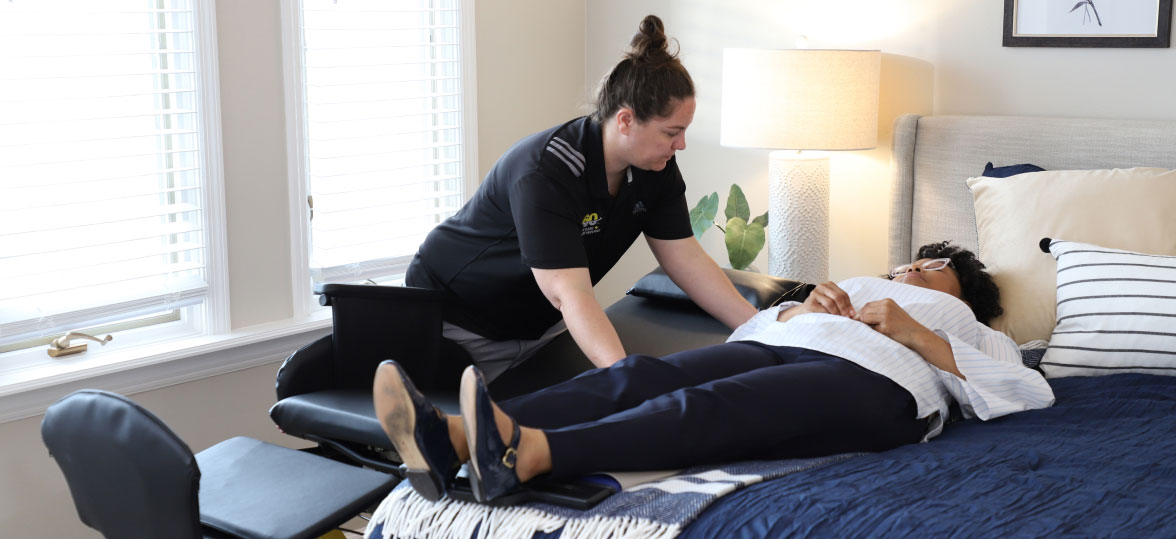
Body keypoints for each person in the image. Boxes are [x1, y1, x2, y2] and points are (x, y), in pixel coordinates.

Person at [375, 241, 1056, 503]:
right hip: (790, 341)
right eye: (907, 263)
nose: (909, 270)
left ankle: (529, 456)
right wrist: (795, 312)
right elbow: (756, 325)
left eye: (930, 267)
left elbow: (1027, 391)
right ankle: (458, 436)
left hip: (877, 384)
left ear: (961, 290)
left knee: (711, 407)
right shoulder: (854, 279)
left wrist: (915, 330)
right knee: (636, 376)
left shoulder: (963, 320)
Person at [405, 15, 757, 381]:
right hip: (459, 321)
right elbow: (570, 295)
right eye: (672, 131)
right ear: (625, 121)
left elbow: (686, 259)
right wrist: (625, 377)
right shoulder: (546, 173)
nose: (680, 144)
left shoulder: (655, 166)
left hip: (539, 325)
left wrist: (763, 329)